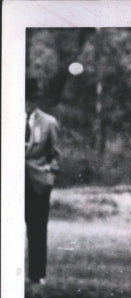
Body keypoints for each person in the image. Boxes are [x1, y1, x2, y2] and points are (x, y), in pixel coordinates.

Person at [25, 77, 61, 285]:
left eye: (33, 99)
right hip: (11, 184)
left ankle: (37, 275)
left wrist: (49, 174)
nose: (30, 104)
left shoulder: (49, 123)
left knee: (37, 230)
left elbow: (56, 154)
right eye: (27, 99)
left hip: (37, 184)